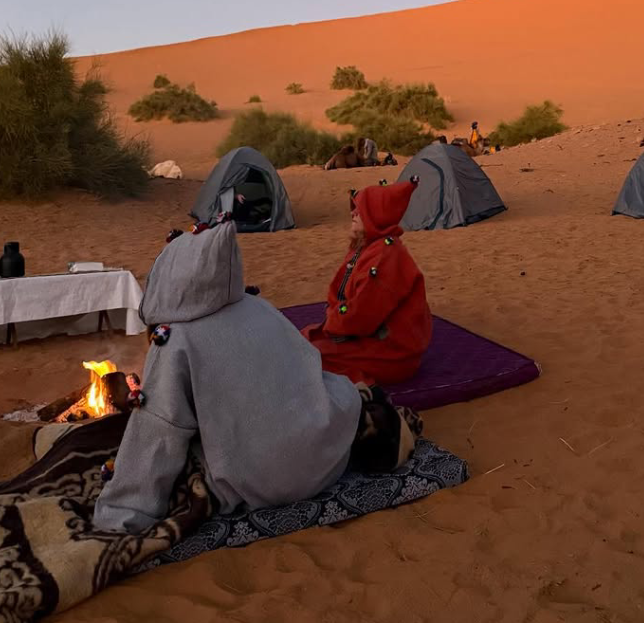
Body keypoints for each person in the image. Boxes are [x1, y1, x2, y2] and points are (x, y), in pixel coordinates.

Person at [93, 218, 419, 533]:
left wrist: (125, 510)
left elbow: (160, 429)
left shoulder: (176, 340)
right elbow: (306, 368)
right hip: (323, 463)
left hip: (262, 483)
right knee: (337, 391)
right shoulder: (258, 307)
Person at [303, 179, 431, 386]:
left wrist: (333, 321)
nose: (353, 214)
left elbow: (360, 315)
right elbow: (341, 297)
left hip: (391, 354)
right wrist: (333, 319)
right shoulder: (367, 247)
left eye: (360, 210)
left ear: (376, 216)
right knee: (302, 340)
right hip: (364, 337)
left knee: (306, 358)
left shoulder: (384, 257)